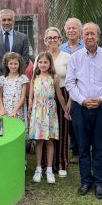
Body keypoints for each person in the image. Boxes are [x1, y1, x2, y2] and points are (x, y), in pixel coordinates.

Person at [66, 22, 102, 199]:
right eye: (86, 34)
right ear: (81, 36)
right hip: (80, 108)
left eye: (92, 34)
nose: (89, 37)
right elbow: (70, 83)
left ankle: (99, 182)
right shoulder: (75, 57)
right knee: (83, 145)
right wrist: (82, 100)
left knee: (99, 145)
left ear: (98, 36)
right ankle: (86, 180)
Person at [28, 52, 67, 184]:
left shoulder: (54, 78)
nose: (43, 64)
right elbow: (31, 96)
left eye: (46, 62)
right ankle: (38, 168)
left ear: (50, 63)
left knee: (50, 141)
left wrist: (66, 109)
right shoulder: (35, 77)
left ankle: (49, 169)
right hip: (38, 112)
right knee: (39, 141)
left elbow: (60, 96)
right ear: (37, 64)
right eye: (40, 62)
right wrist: (29, 108)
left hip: (50, 112)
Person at [39, 27, 71, 177]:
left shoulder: (67, 57)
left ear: (60, 40)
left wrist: (69, 102)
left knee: (62, 130)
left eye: (55, 37)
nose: (52, 40)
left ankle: (61, 163)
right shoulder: (41, 56)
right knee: (46, 131)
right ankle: (46, 164)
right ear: (45, 41)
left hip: (62, 94)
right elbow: (35, 78)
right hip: (45, 99)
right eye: (49, 38)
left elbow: (72, 80)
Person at [59, 17, 84, 164]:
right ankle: (75, 151)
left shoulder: (85, 46)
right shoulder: (62, 48)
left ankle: (85, 149)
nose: (71, 30)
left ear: (80, 31)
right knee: (70, 121)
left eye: (74, 28)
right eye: (69, 28)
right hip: (65, 89)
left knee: (81, 121)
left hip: (82, 88)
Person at [0, 9, 31, 73]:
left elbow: (25, 59)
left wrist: (17, 73)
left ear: (13, 21)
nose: (6, 22)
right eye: (4, 20)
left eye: (9, 20)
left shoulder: (23, 38)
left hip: (17, 77)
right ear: (0, 21)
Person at [0, 52, 29, 129]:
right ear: (6, 64)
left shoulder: (22, 78)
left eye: (15, 64)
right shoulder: (2, 79)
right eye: (11, 63)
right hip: (5, 110)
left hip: (18, 110)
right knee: (7, 129)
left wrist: (15, 110)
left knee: (17, 128)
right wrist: (2, 109)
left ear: (19, 64)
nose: (13, 66)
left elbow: (22, 97)